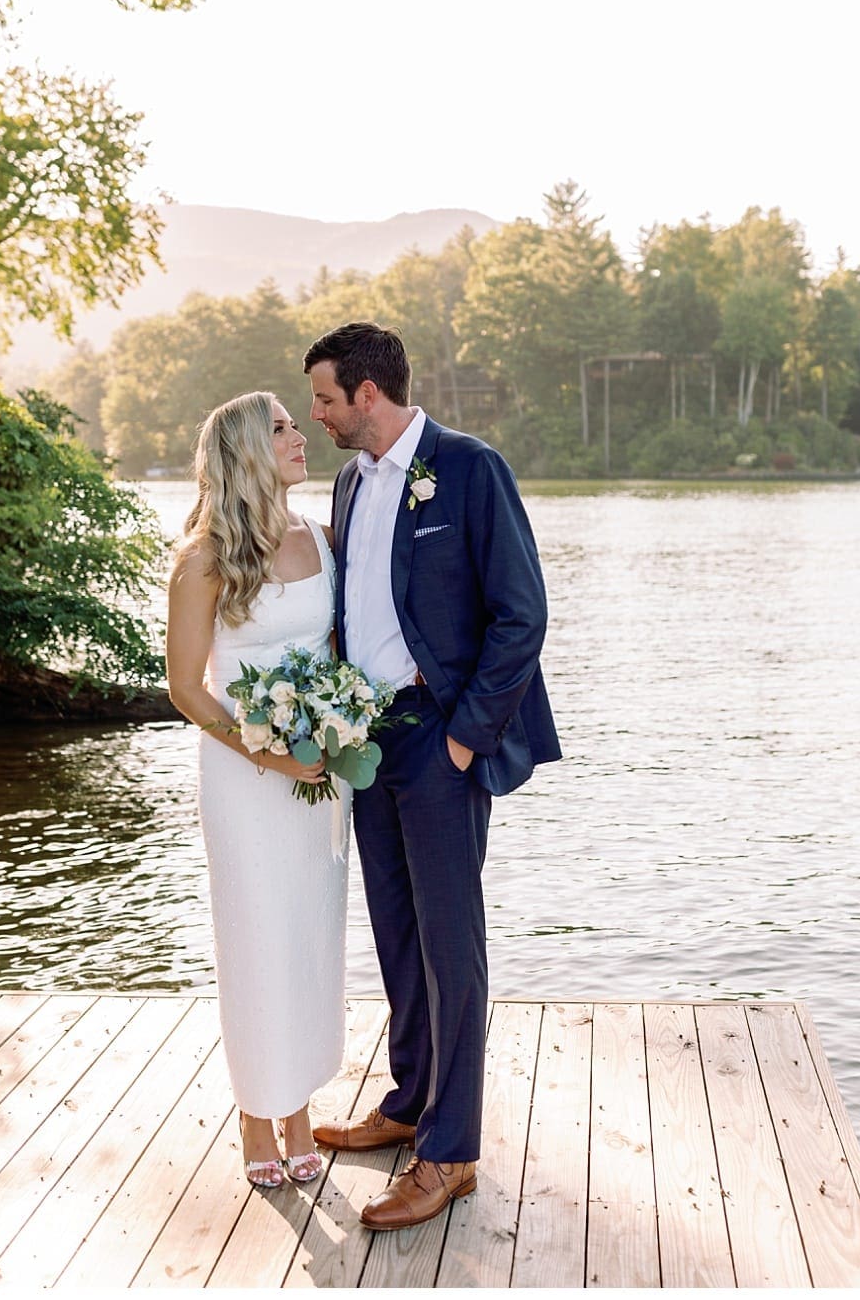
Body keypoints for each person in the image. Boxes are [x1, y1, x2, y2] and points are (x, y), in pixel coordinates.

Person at [303, 322, 561, 1230]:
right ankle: (409, 1102)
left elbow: (520, 616)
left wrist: (465, 739)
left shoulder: (469, 466)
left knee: (453, 946)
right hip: (364, 738)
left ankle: (450, 1153)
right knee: (398, 932)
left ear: (368, 393)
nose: (320, 415)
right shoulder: (348, 478)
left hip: (439, 737)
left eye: (326, 399)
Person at [165, 392, 346, 1189]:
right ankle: (252, 1108)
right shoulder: (205, 557)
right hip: (246, 778)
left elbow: (342, 647)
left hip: (322, 782)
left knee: (309, 933)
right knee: (254, 934)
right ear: (244, 451)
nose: (299, 433)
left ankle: (298, 1106)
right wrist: (266, 754)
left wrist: (340, 727)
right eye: (280, 427)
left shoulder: (323, 536)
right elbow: (187, 689)